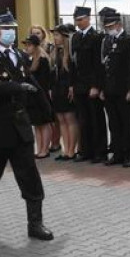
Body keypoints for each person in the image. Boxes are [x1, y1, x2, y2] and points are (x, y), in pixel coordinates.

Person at [0, 11, 53, 241]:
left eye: (12, 28)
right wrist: (16, 88)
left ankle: (35, 224)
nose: (11, 32)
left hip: (20, 125)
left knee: (29, 176)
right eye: (6, 28)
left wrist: (47, 111)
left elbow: (32, 84)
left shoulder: (19, 55)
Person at [98, 7, 130, 167]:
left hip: (123, 89)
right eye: (106, 27)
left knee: (126, 122)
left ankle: (128, 153)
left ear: (119, 25)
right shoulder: (106, 41)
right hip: (109, 88)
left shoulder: (128, 40)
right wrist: (102, 88)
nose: (108, 30)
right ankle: (117, 152)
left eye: (111, 27)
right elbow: (103, 67)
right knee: (113, 123)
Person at [71, 5, 108, 163]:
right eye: (76, 20)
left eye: (80, 20)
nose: (78, 23)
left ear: (88, 19)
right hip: (79, 85)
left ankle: (100, 152)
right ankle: (86, 151)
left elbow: (98, 65)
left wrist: (95, 86)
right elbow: (74, 63)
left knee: (96, 120)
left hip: (91, 85)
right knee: (83, 120)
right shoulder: (76, 37)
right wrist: (72, 85)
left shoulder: (96, 37)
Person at [21, 34, 54, 158]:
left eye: (29, 45)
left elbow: (44, 81)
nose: (27, 47)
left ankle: (45, 149)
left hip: (41, 95)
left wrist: (42, 95)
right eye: (26, 45)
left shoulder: (43, 59)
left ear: (35, 46)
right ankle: (39, 148)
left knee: (44, 123)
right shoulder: (29, 59)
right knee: (36, 124)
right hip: (31, 96)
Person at [50, 23, 79, 161]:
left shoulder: (70, 52)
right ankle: (65, 149)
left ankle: (72, 150)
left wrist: (72, 86)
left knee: (69, 119)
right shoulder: (55, 52)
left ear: (64, 36)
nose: (54, 38)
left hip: (67, 88)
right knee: (61, 119)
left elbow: (73, 72)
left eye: (57, 35)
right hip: (57, 89)